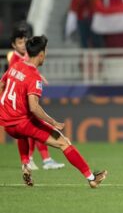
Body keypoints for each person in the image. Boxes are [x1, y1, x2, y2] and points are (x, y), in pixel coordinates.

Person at [0, 35, 107, 188]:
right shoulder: (34, 77)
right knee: (64, 143)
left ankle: (25, 165)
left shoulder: (15, 66)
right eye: (46, 52)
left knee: (22, 134)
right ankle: (91, 178)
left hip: (8, 125)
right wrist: (53, 122)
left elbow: (1, 84)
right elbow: (34, 107)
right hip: (23, 123)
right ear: (41, 54)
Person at [7, 25, 65, 170]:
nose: (22, 45)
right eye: (19, 42)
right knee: (32, 128)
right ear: (13, 45)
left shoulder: (25, 58)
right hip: (17, 103)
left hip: (23, 99)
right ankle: (31, 160)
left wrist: (39, 76)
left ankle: (34, 160)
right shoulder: (13, 58)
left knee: (34, 127)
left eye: (23, 41)